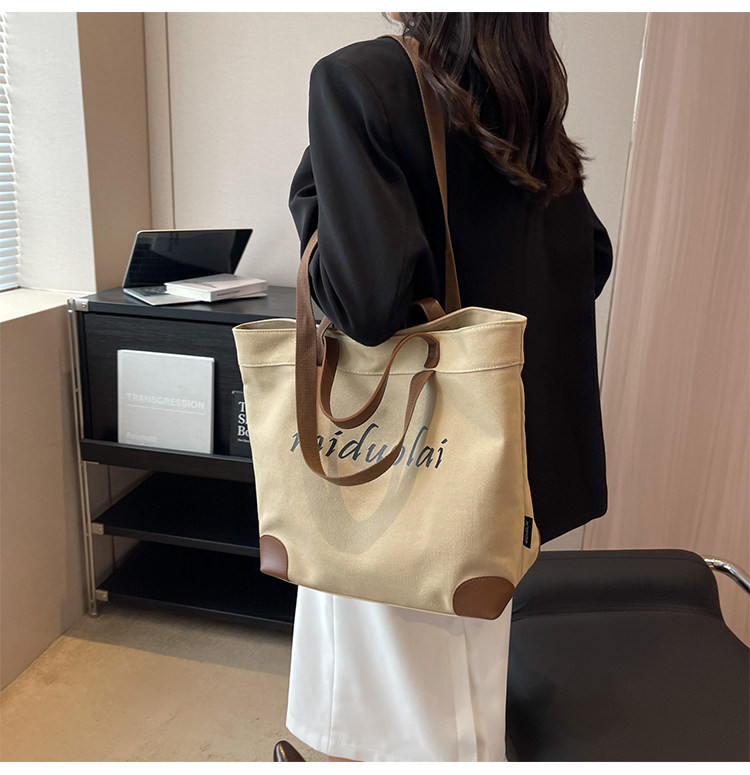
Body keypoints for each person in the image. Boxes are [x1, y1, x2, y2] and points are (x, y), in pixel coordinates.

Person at [280, 12, 613, 763]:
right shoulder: (524, 88)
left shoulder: (358, 80)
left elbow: (366, 303)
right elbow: (589, 257)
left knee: (401, 714)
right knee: (461, 688)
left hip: (397, 460)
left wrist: (311, 197)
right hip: (498, 468)